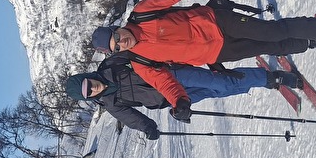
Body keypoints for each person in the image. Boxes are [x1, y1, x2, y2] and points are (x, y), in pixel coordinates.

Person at [89, 0, 316, 119]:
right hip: (217, 53)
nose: (122, 42)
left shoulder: (143, 13)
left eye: (118, 37)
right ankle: (314, 40)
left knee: (273, 31)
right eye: (117, 47)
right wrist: (180, 103)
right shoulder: (140, 61)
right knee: (273, 47)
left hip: (218, 22)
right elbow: (164, 83)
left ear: (118, 28)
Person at [64, 53, 302, 140]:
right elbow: (132, 118)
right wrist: (148, 129)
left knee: (221, 82)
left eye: (88, 83)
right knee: (219, 90)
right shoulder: (111, 103)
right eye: (88, 92)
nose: (93, 87)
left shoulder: (111, 65)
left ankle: (273, 78)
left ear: (87, 75)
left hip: (175, 75)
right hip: (171, 100)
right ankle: (262, 79)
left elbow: (139, 51)